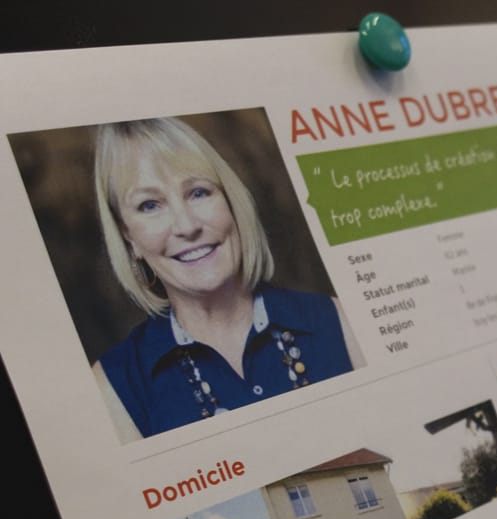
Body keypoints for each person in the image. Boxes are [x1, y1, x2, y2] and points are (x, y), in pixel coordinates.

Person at [91, 117, 364, 441]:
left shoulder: (341, 321)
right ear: (128, 237)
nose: (187, 226)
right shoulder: (112, 387)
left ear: (230, 202)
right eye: (149, 205)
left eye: (198, 193)